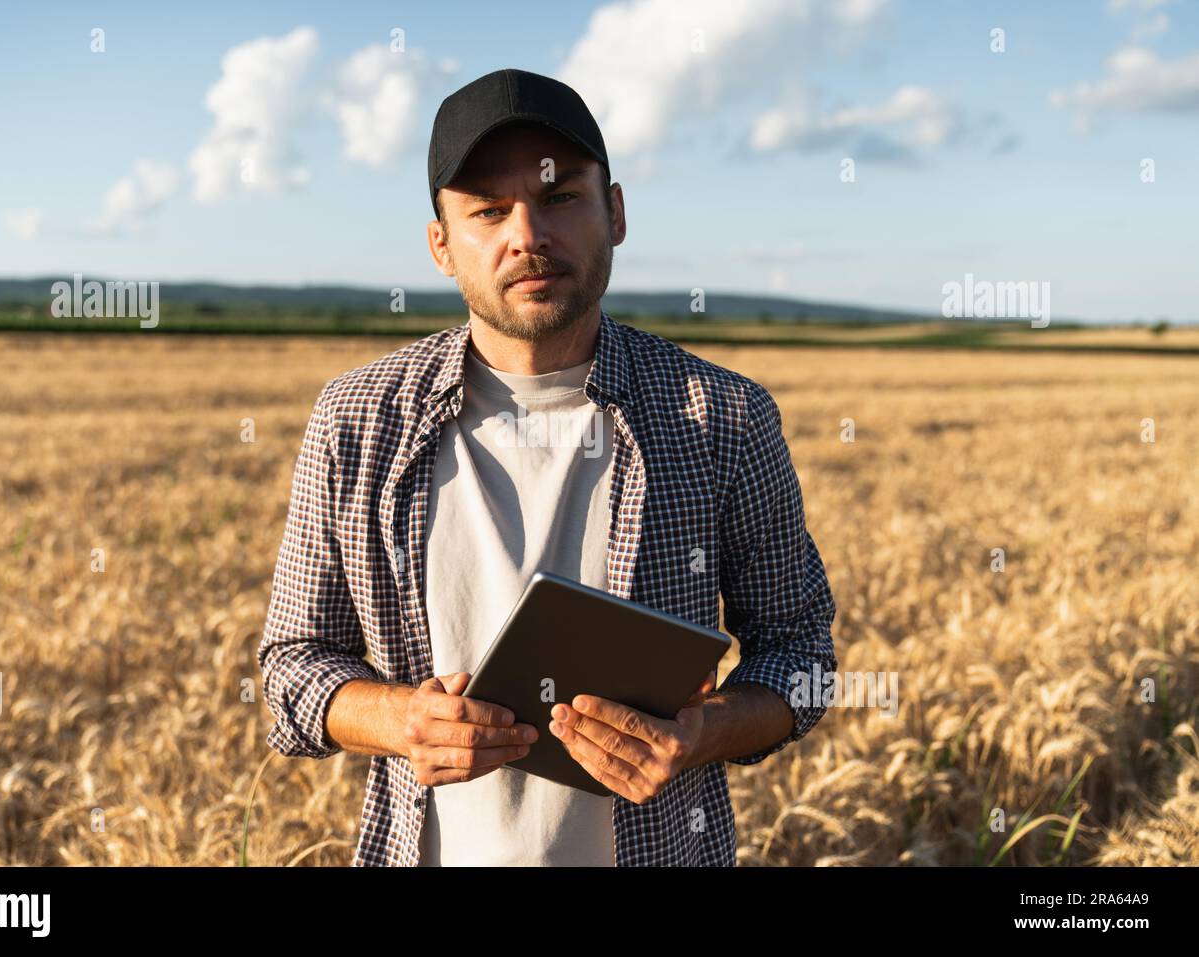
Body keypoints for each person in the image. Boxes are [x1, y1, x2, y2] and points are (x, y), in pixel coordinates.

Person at [257, 68, 838, 866]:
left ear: (617, 212)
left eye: (560, 196)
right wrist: (402, 720)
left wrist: (700, 733)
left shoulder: (721, 417)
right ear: (440, 245)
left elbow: (800, 654)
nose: (526, 234)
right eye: (488, 211)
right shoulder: (357, 420)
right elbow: (291, 670)